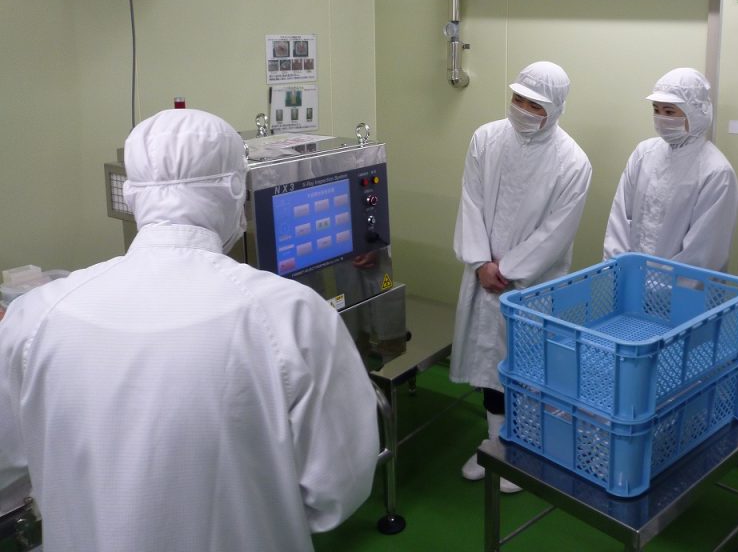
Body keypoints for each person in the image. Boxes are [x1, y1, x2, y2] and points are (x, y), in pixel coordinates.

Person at [0, 109, 379, 552]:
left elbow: (7, 468)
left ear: (132, 193)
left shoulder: (35, 317)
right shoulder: (293, 315)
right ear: (236, 190)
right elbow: (337, 489)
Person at [450, 61, 592, 492]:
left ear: (556, 108)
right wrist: (481, 262)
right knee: (489, 365)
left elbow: (557, 232)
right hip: (484, 275)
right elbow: (471, 201)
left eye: (535, 105)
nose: (524, 109)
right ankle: (496, 444)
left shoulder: (573, 162)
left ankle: (527, 451)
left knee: (528, 369)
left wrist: (508, 270)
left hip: (531, 285)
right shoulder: (486, 138)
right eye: (519, 99)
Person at [603, 67, 738, 271]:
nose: (661, 118)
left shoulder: (716, 172)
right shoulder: (643, 154)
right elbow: (619, 221)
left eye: (669, 111)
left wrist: (659, 284)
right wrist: (617, 271)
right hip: (628, 278)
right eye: (656, 110)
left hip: (679, 286)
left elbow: (703, 251)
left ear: (695, 112)